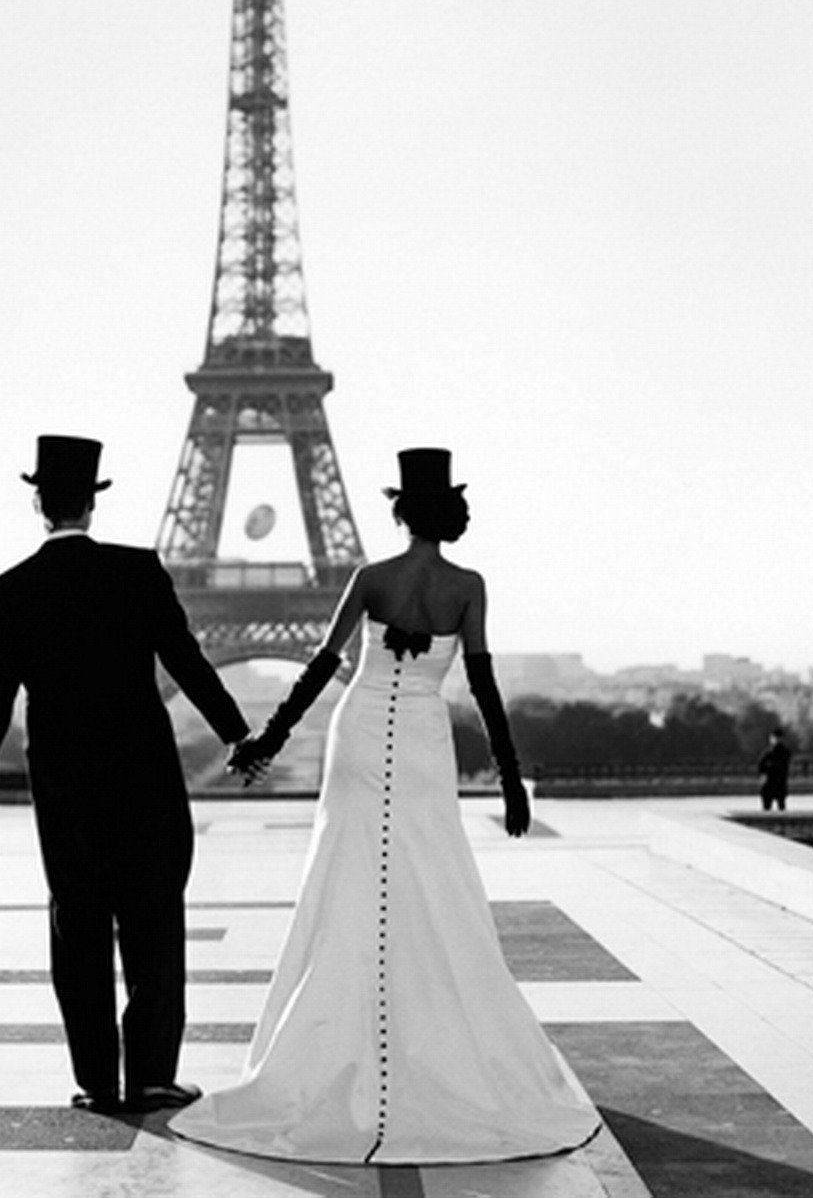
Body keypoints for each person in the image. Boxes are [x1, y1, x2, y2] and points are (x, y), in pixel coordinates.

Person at [169, 449, 599, 1165]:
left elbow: (319, 668)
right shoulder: (468, 586)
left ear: (400, 509)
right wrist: (509, 775)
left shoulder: (370, 578)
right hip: (425, 739)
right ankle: (430, 1035)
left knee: (346, 878)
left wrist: (268, 738)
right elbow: (483, 686)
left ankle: (338, 1043)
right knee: (434, 879)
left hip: (360, 733)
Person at [0, 435, 251, 1115]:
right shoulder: (137, 571)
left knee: (78, 923)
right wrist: (236, 736)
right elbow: (186, 662)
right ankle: (151, 1075)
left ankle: (95, 1079)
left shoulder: (9, 590)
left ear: (38, 503)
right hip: (143, 772)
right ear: (92, 503)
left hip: (63, 781)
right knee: (154, 919)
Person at [756, 729, 791, 811]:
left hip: (778, 783)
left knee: (779, 807)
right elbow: (760, 765)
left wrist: (768, 769)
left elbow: (780, 766)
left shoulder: (783, 752)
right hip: (771, 784)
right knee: (769, 807)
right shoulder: (768, 752)